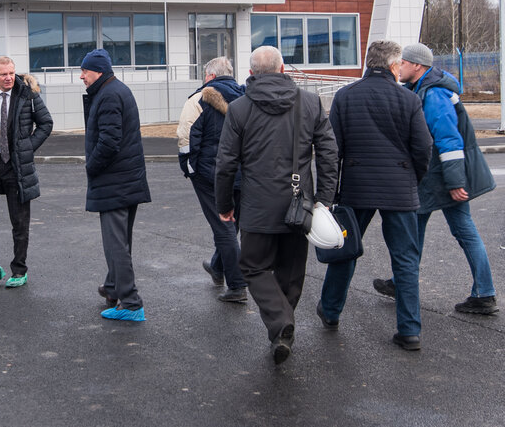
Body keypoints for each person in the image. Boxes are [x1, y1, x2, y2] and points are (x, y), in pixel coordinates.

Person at [215, 45, 338, 364]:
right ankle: (283, 325)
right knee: (292, 270)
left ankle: (281, 324)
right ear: (284, 69)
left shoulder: (239, 108)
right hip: (300, 204)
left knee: (253, 266)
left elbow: (226, 163)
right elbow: (328, 153)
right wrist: (325, 199)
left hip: (257, 207)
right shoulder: (310, 103)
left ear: (252, 73)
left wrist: (225, 203)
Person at [318, 40, 433, 351]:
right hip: (399, 188)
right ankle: (409, 330)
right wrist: (413, 177)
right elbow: (423, 147)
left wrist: (328, 193)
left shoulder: (345, 97)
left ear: (368, 62)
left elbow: (332, 149)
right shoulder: (408, 101)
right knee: (406, 260)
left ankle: (330, 311)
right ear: (395, 66)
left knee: (346, 250)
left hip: (357, 186)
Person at [372, 43, 498, 315]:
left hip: (440, 178)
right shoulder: (422, 89)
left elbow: (448, 140)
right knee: (425, 230)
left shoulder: (435, 93)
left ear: (417, 66)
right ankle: (402, 282)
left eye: (403, 63)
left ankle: (484, 293)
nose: (399, 67)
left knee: (452, 231)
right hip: (434, 177)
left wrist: (455, 183)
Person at [0, 56, 53, 288]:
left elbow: (46, 123)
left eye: (11, 73)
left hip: (17, 166)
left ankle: (19, 270)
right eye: (3, 74)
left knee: (19, 221)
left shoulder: (27, 93)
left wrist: (27, 147)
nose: (9, 78)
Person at [80, 48, 151, 322]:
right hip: (125, 179)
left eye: (84, 71)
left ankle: (131, 302)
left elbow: (109, 141)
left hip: (115, 181)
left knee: (115, 244)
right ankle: (113, 287)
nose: (81, 77)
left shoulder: (108, 95)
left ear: (97, 71)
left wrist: (91, 166)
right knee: (120, 241)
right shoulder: (114, 90)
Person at [176, 57, 247, 302]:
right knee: (231, 223)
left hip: (212, 174)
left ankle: (237, 285)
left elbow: (186, 138)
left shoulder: (198, 99)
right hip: (243, 172)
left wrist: (189, 169)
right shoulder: (246, 98)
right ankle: (218, 267)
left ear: (210, 76)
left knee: (223, 227)